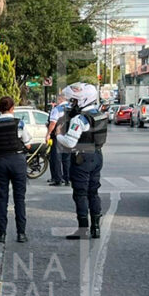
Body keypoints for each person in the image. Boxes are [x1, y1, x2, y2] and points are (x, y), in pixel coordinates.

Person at [56, 82, 108, 239]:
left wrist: (58, 135)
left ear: (83, 100)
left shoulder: (80, 119)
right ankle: (96, 228)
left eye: (74, 101)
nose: (72, 104)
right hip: (97, 155)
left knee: (80, 193)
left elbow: (70, 142)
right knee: (94, 192)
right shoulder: (99, 114)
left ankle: (83, 229)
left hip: (82, 158)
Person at [0, 96, 31, 243]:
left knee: (2, 198)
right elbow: (28, 144)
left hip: (1, 162)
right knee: (19, 198)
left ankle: (1, 234)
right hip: (17, 162)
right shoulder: (19, 123)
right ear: (12, 108)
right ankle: (21, 234)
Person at [46, 95, 70, 186]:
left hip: (58, 136)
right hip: (69, 136)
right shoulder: (71, 108)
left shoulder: (57, 109)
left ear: (60, 99)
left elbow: (53, 123)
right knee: (67, 158)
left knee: (56, 158)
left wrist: (48, 134)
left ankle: (57, 179)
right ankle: (67, 178)